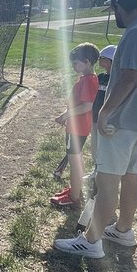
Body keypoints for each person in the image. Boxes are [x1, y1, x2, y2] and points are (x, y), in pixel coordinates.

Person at [54, 0, 137, 257]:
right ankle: (123, 230)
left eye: (114, 9)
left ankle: (91, 241)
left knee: (106, 182)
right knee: (130, 175)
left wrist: (105, 111)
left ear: (120, 6)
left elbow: (129, 76)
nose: (114, 14)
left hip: (120, 122)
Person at [51, 43, 100, 210]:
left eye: (76, 63)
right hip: (77, 126)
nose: (74, 66)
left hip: (77, 128)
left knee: (74, 161)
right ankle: (75, 190)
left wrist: (66, 115)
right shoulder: (87, 79)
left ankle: (74, 198)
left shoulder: (88, 81)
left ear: (87, 62)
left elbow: (87, 105)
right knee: (75, 159)